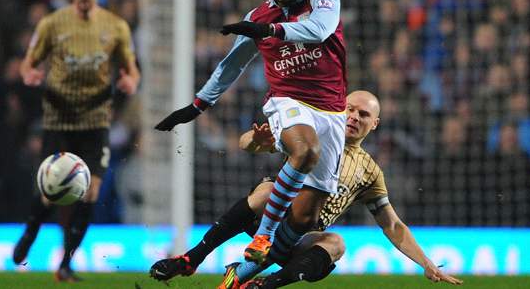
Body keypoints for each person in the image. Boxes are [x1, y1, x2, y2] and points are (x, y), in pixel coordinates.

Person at [154, 0, 347, 281]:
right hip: (287, 100)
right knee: (306, 150)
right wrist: (197, 105)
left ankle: (239, 274)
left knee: (304, 219)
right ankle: (263, 235)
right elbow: (231, 66)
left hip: (331, 112)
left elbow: (320, 30)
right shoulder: (257, 18)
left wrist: (269, 31)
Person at [150, 91, 463, 288]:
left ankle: (260, 284)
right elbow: (246, 142)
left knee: (337, 244)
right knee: (267, 190)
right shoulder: (313, 130)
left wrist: (427, 264)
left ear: (375, 124)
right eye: (350, 109)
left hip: (297, 241)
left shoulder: (370, 171)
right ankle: (192, 259)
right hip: (266, 226)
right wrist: (257, 142)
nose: (354, 117)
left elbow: (393, 226)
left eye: (363, 114)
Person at [12, 0, 140, 282]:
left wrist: (131, 81)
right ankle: (30, 232)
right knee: (50, 191)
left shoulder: (116, 26)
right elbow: (28, 62)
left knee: (91, 192)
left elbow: (131, 68)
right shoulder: (52, 24)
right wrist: (30, 73)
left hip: (96, 120)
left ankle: (66, 263)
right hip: (59, 118)